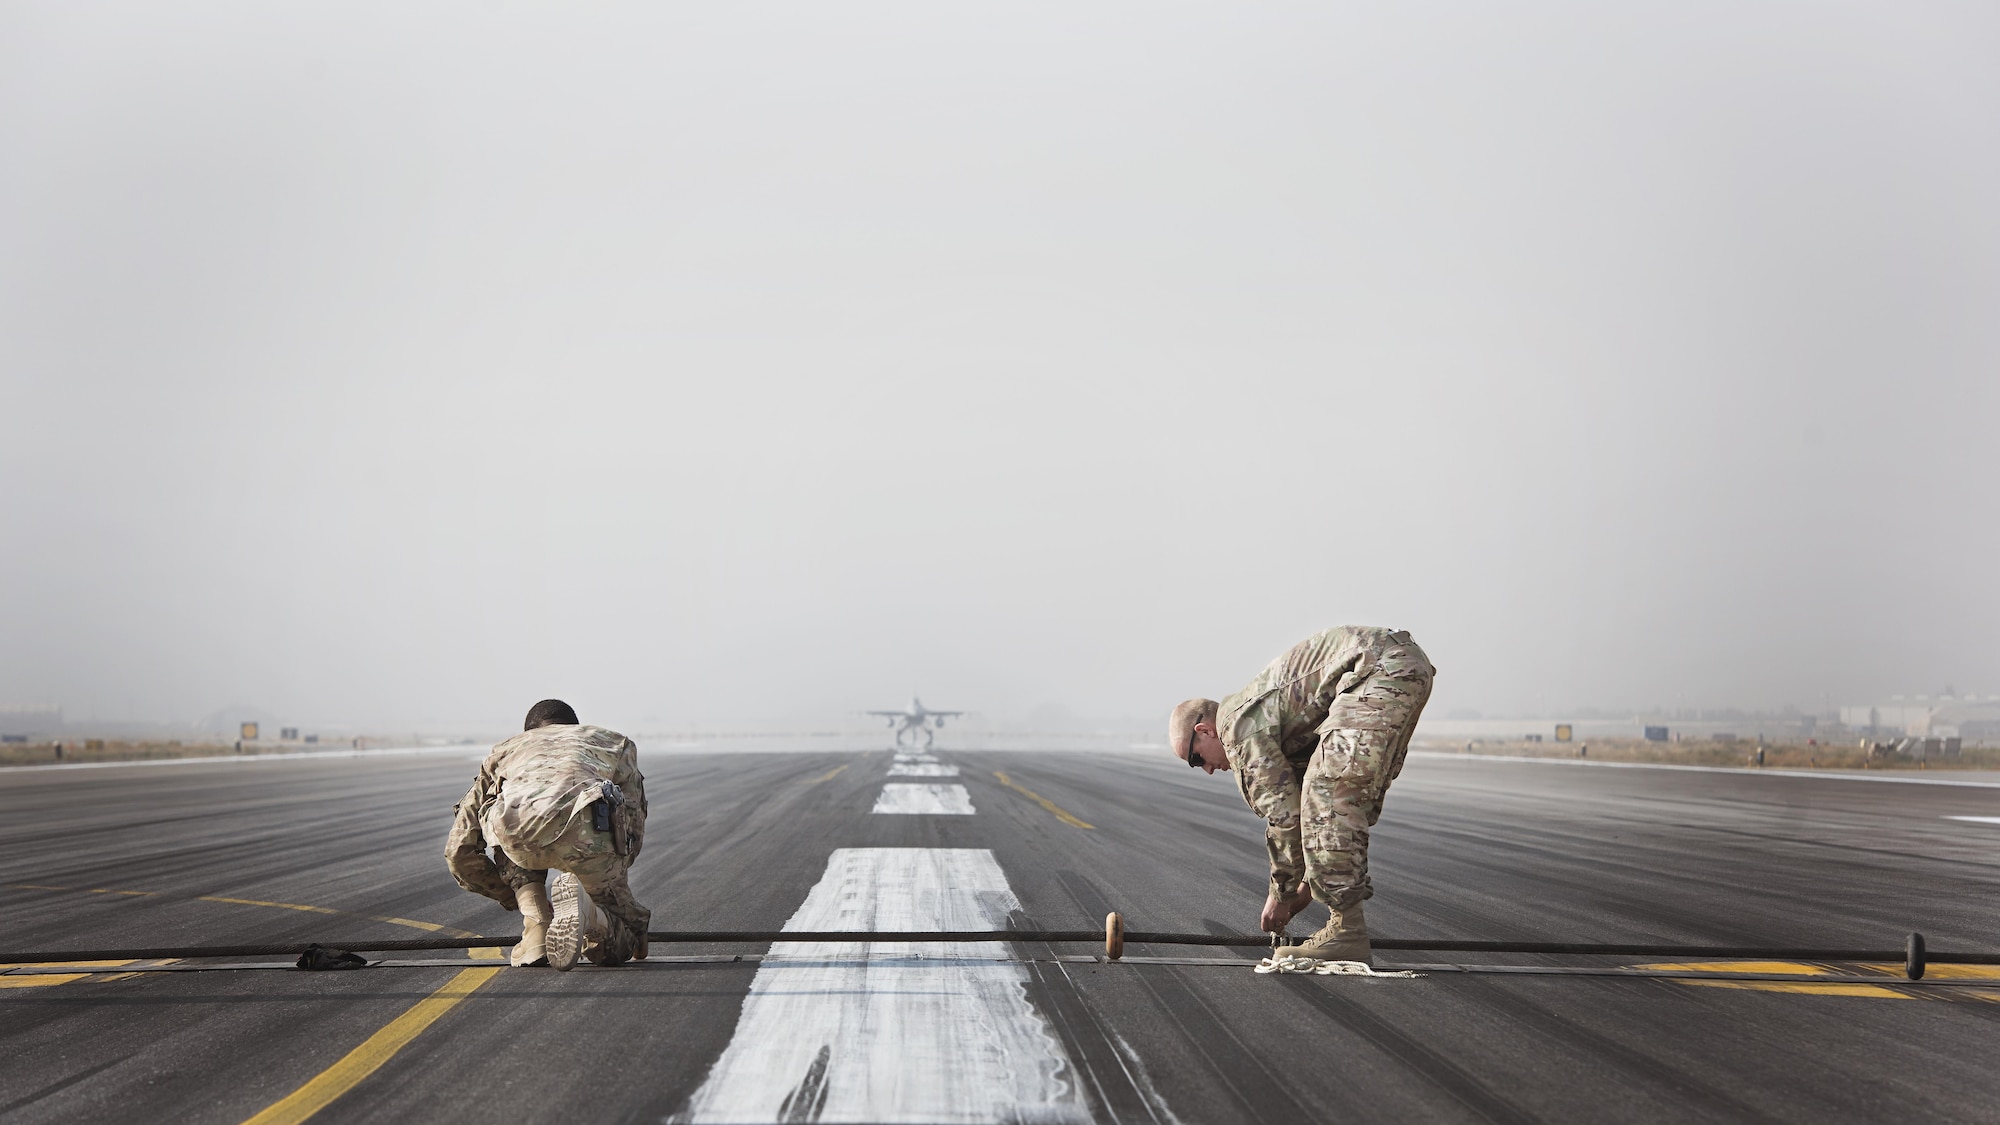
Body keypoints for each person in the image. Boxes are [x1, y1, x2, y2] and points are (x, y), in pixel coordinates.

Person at [1169, 626, 1434, 965]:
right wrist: (1305, 886)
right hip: (1400, 665)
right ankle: (1345, 925)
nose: (1205, 769)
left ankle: (1347, 931)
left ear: (1204, 731)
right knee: (1338, 794)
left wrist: (1279, 895)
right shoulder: (1263, 718)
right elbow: (1315, 810)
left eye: (1196, 759)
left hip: (1379, 668)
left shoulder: (1236, 728)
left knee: (1328, 792)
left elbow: (1285, 818)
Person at [445, 699, 651, 970]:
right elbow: (632, 825)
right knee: (616, 948)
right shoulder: (614, 743)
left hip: (518, 839)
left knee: (506, 814)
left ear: (528, 732)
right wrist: (617, 902)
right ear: (574, 728)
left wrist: (514, 896)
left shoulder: (505, 751)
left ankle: (537, 923)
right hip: (591, 842)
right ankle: (592, 916)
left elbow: (459, 850)